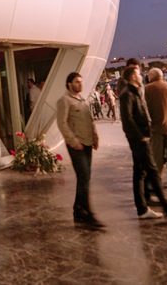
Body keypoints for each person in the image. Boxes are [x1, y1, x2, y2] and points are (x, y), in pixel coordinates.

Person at [120, 65, 167, 223]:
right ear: (132, 76)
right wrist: (141, 137)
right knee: (151, 171)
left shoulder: (137, 91)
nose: (140, 75)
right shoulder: (128, 94)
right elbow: (127, 120)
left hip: (147, 135)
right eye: (137, 73)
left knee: (140, 174)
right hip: (141, 140)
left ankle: (143, 209)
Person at [55, 71, 104, 230]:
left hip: (88, 143)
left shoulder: (82, 100)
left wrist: (95, 138)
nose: (80, 84)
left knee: (85, 177)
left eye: (81, 82)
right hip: (76, 145)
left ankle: (78, 210)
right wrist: (73, 141)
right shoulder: (64, 101)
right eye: (77, 82)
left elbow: (90, 121)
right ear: (69, 84)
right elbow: (62, 124)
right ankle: (87, 213)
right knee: (84, 176)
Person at [144, 68, 167, 189]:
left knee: (157, 157)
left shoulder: (147, 89)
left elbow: (145, 108)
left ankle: (157, 182)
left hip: (156, 128)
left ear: (151, 77)